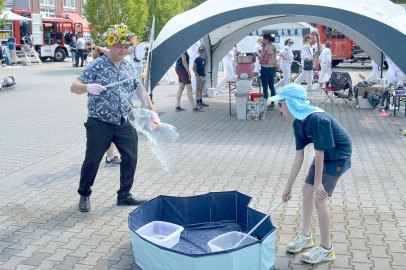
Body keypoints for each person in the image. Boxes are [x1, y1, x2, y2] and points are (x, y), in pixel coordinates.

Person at [70, 23, 155, 212]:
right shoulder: (97, 65)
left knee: (131, 157)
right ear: (110, 45)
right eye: (119, 46)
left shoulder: (129, 67)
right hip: (99, 122)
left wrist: (152, 110)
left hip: (124, 120)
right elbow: (73, 86)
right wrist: (87, 88)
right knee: (92, 160)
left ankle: (124, 194)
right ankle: (84, 194)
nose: (123, 50)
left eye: (126, 47)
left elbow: (140, 89)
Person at [270, 83, 352, 264]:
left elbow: (319, 153)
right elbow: (299, 156)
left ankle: (326, 249)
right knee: (306, 189)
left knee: (319, 197)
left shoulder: (317, 119)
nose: (279, 108)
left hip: (338, 156)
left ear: (291, 103)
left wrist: (319, 183)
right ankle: (306, 237)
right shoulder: (297, 124)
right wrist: (287, 187)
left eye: (280, 103)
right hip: (324, 153)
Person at [258, 33, 278, 107]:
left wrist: (258, 55)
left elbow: (261, 57)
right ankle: (272, 103)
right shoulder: (273, 46)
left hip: (265, 67)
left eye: (263, 39)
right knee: (271, 85)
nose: (263, 41)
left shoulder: (265, 47)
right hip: (272, 67)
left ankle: (264, 102)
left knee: (265, 86)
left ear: (267, 39)